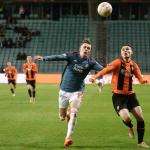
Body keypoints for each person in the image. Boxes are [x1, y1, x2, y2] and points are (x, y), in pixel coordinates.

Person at [34, 38, 104, 147]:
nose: (86, 49)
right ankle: (65, 114)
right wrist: (44, 58)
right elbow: (58, 57)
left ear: (90, 51)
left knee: (74, 113)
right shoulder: (72, 56)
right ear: (80, 48)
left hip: (77, 91)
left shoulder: (91, 62)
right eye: (84, 47)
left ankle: (68, 137)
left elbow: (103, 70)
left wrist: (98, 78)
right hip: (63, 91)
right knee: (62, 117)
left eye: (88, 48)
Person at [90, 45, 149, 148]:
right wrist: (95, 77)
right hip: (118, 96)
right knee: (127, 118)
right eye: (123, 49)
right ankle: (130, 126)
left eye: (127, 49)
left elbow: (139, 77)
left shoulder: (133, 65)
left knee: (140, 118)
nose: (125, 50)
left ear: (131, 52)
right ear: (121, 53)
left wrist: (143, 81)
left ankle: (141, 142)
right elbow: (105, 70)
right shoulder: (117, 62)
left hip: (131, 95)